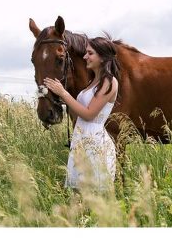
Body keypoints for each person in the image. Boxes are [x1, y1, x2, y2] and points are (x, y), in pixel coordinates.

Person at [43, 35, 119, 193]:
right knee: (76, 196)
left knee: (92, 197)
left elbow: (90, 114)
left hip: (95, 143)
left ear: (103, 57)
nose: (85, 57)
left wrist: (63, 93)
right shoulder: (93, 83)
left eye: (90, 53)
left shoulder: (109, 82)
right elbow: (79, 110)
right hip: (82, 139)